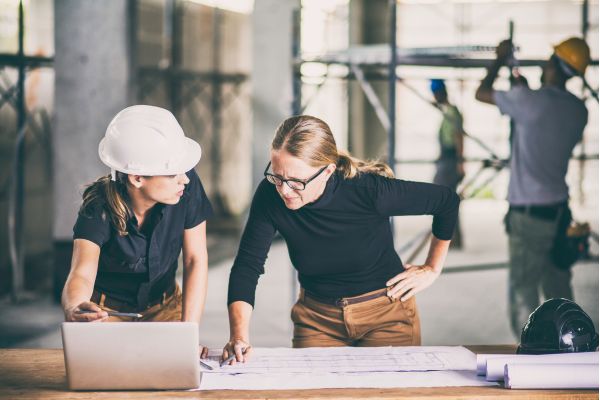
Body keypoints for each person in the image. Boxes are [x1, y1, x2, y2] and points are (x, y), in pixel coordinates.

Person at [222, 115, 460, 364]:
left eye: (296, 182)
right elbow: (247, 267)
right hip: (316, 319)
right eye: (277, 177)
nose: (284, 190)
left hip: (386, 314)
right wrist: (239, 336)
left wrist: (432, 267)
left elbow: (446, 202)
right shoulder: (270, 195)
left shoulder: (369, 191)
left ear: (327, 171)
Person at [61, 105, 213, 338]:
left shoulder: (185, 187)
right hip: (106, 314)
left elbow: (195, 260)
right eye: (173, 173)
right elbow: (81, 272)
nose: (184, 179)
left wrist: (188, 332)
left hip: (166, 308)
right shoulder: (98, 207)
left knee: (175, 372)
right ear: (137, 178)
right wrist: (75, 306)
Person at [475, 38, 590, 337]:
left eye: (549, 59)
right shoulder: (579, 111)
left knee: (524, 291)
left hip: (529, 217)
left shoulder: (530, 102)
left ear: (553, 66)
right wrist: (523, 92)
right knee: (558, 288)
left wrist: (499, 60)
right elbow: (542, 115)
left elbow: (482, 93)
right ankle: (569, 345)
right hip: (559, 213)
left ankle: (530, 351)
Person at [430, 78, 465, 248]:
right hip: (446, 158)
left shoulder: (452, 113)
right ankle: (451, 239)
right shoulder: (447, 112)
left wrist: (460, 162)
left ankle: (450, 239)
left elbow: (458, 137)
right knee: (445, 198)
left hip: (450, 160)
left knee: (445, 199)